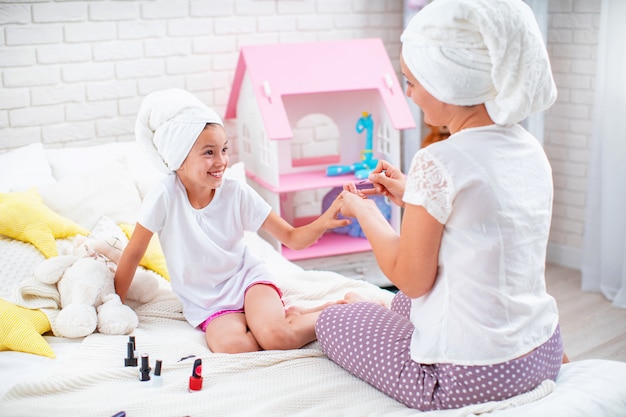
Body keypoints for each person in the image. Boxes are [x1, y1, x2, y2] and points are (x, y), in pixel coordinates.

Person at [315, 0, 566, 411]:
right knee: (399, 306)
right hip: (543, 350)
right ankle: (373, 314)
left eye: (412, 80)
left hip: (467, 376)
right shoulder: (528, 147)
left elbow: (412, 280)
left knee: (334, 319)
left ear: (450, 80)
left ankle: (362, 315)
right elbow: (481, 215)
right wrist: (413, 194)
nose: (408, 92)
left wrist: (365, 212)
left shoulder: (438, 159)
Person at [114, 88, 351, 354]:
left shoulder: (236, 192)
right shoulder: (164, 196)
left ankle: (338, 310)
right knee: (233, 347)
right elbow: (133, 253)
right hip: (207, 302)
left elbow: (292, 238)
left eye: (224, 149)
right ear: (179, 160)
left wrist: (324, 220)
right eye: (209, 153)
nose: (221, 161)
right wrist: (116, 307)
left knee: (276, 338)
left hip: (248, 281)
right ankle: (292, 315)